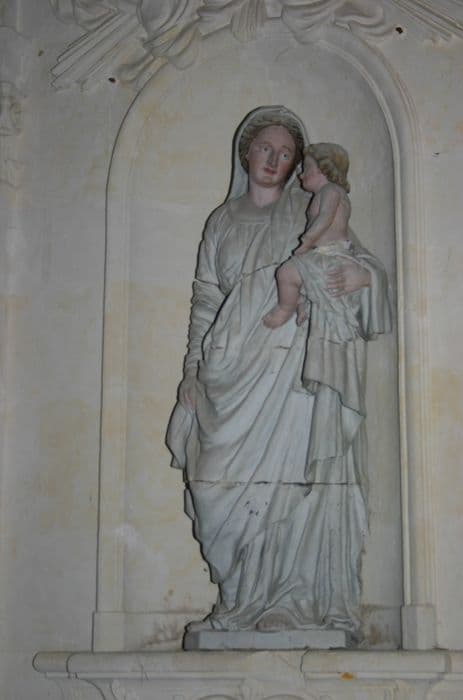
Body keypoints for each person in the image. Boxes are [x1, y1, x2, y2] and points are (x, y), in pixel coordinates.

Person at [167, 106, 391, 636]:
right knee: (213, 478)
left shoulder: (309, 209)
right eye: (266, 148)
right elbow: (205, 299)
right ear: (245, 153)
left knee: (293, 479)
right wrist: (193, 369)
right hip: (230, 361)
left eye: (287, 153)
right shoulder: (221, 221)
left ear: (297, 164)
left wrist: (362, 278)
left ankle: (291, 598)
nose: (274, 159)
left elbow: (355, 260)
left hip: (293, 363)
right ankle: (240, 597)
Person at [264, 143, 360, 331]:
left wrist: (307, 241)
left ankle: (285, 309)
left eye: (306, 168)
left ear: (324, 169)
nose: (301, 175)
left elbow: (325, 217)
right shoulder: (325, 193)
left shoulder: (331, 191)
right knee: (300, 276)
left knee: (286, 272)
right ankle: (303, 305)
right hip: (322, 252)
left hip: (331, 253)